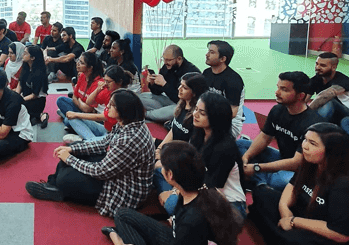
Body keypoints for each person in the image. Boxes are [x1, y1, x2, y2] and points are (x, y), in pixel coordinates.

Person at [250, 122, 349, 245]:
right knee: (261, 193)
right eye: (305, 140)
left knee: (288, 239)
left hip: (331, 232)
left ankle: (275, 232)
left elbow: (341, 235)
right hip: (308, 214)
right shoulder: (311, 163)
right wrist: (284, 210)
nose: (304, 146)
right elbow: (292, 186)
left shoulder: (347, 184)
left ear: (331, 152)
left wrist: (293, 221)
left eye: (313, 143)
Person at [25, 89, 155, 217]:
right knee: (73, 149)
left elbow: (100, 171)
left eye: (111, 105)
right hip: (117, 173)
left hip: (122, 191)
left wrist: (70, 159)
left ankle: (60, 188)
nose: (107, 107)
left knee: (66, 177)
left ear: (123, 110)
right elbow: (104, 142)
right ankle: (54, 185)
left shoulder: (129, 139)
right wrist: (72, 150)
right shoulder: (128, 123)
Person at [109, 141, 242, 245]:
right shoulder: (195, 192)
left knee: (122, 229)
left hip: (180, 238)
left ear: (170, 175)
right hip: (178, 236)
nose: (160, 167)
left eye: (162, 165)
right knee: (122, 215)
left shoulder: (191, 220)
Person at [155, 91, 247, 220]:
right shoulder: (199, 134)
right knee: (160, 170)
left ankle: (175, 210)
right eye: (196, 109)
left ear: (216, 117)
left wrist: (176, 191)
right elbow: (189, 166)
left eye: (202, 113)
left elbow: (210, 188)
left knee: (172, 204)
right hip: (198, 187)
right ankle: (174, 207)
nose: (195, 114)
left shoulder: (224, 148)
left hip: (225, 202)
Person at [239, 72, 324, 191]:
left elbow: (296, 163)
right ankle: (261, 182)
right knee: (241, 145)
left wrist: (257, 168)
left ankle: (259, 181)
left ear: (300, 96)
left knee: (280, 181)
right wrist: (246, 157)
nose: (277, 92)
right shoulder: (277, 110)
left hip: (301, 169)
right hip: (281, 157)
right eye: (278, 87)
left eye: (284, 89)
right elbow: (264, 137)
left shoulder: (312, 124)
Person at [61, 65, 130, 144]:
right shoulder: (108, 90)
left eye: (108, 82)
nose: (105, 84)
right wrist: (98, 89)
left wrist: (76, 114)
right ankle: (90, 140)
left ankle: (88, 141)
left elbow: (101, 117)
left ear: (119, 82)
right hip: (105, 129)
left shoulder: (123, 97)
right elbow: (89, 102)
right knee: (69, 118)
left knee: (73, 117)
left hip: (114, 135)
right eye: (105, 81)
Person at [140, 45, 200, 123]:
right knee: (141, 96)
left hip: (183, 105)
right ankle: (160, 113)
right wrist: (152, 83)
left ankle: (146, 115)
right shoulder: (167, 67)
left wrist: (164, 84)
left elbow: (181, 99)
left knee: (175, 111)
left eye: (168, 60)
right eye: (164, 59)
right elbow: (157, 92)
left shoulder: (191, 73)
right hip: (168, 100)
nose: (165, 62)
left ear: (179, 59)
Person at [202, 40, 245, 138]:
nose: (207, 55)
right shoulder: (206, 73)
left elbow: (233, 112)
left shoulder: (233, 80)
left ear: (222, 59)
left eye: (212, 52)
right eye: (208, 51)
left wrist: (208, 119)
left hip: (230, 123)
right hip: (208, 115)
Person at [56, 52, 104, 136]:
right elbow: (74, 96)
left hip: (91, 116)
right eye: (78, 60)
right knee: (60, 100)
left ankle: (69, 117)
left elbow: (88, 109)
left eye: (81, 63)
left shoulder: (98, 83)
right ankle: (71, 118)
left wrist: (78, 100)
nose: (77, 64)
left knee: (67, 121)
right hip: (80, 108)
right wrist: (80, 102)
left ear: (90, 68)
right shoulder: (82, 76)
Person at [309, 52, 349, 124]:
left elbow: (324, 96)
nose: (318, 67)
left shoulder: (343, 80)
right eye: (317, 64)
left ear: (333, 67)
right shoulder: (316, 79)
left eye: (323, 65)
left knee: (329, 101)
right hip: (331, 115)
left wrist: (306, 114)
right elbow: (303, 97)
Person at [16, 45, 49, 127]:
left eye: (25, 53)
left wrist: (20, 100)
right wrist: (16, 96)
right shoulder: (25, 67)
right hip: (25, 97)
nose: (23, 55)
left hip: (36, 101)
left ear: (32, 57)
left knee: (17, 108)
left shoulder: (40, 73)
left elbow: (35, 95)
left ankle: (38, 115)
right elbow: (20, 83)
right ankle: (39, 116)